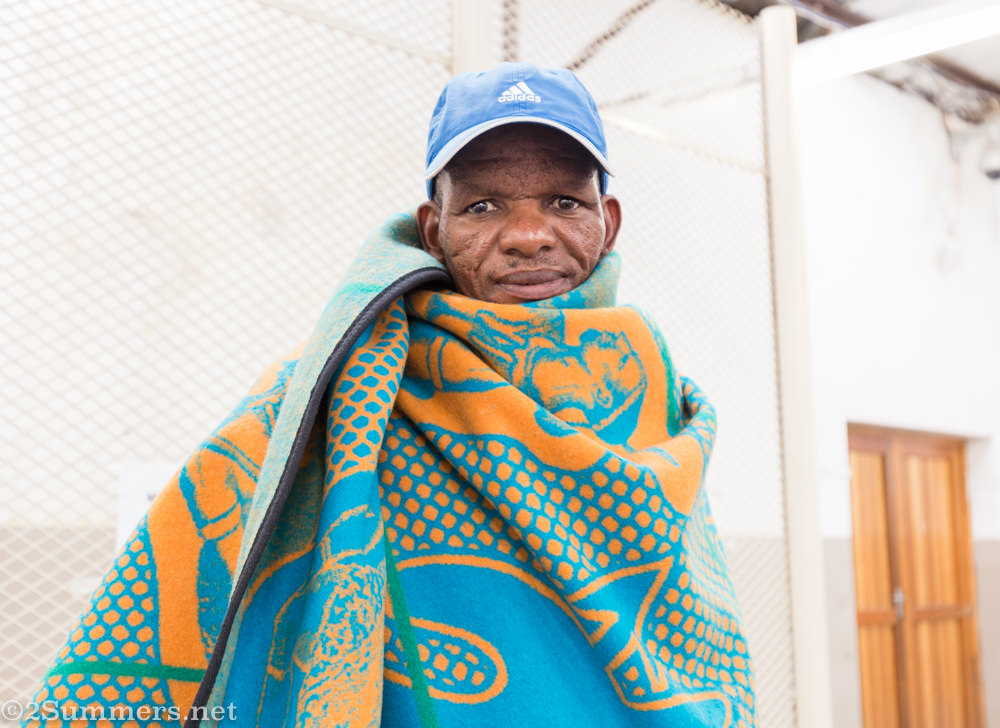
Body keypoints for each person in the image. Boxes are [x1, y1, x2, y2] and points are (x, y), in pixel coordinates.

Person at [25, 63, 754, 727]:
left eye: (564, 200)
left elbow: (695, 642)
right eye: (484, 207)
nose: (529, 234)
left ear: (608, 221)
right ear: (433, 230)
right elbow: (157, 607)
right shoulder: (338, 390)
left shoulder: (656, 399)